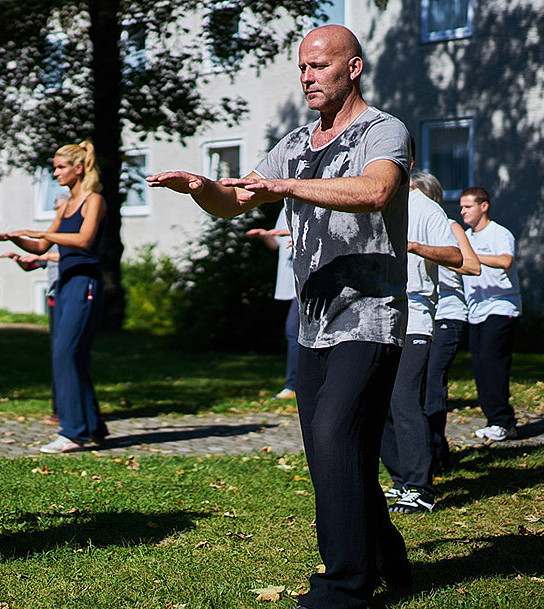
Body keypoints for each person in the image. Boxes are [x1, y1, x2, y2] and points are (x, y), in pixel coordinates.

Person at [148, 24, 413, 609]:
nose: (307, 76)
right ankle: (389, 560)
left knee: (333, 435)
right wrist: (200, 187)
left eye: (319, 65)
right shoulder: (295, 141)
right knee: (332, 453)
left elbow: (375, 192)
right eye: (301, 67)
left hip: (369, 317)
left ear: (353, 68)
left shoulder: (383, 131)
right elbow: (236, 199)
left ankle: (345, 586)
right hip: (314, 323)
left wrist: (287, 183)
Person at [0, 141, 109, 454]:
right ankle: (93, 426)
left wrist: (40, 232)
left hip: (85, 283)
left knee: (65, 353)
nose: (55, 173)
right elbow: (42, 249)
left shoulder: (93, 200)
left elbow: (83, 239)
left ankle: (72, 432)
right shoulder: (67, 203)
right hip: (66, 283)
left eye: (60, 167)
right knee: (71, 355)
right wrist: (19, 238)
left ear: (78, 168)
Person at [379, 172, 464, 514]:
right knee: (380, 399)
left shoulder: (425, 209)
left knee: (403, 398)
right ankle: (401, 481)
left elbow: (456, 257)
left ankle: (420, 487)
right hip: (377, 315)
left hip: (414, 315)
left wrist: (412, 245)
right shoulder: (377, 203)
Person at [422, 180, 481, 474]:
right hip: (419, 316)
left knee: (433, 384)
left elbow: (472, 266)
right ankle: (424, 452)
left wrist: (430, 252)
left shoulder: (449, 226)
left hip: (447, 315)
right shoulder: (406, 223)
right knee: (413, 388)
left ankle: (436, 454)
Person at [459, 186, 522, 441]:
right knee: (481, 365)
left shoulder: (499, 233)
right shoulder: (465, 236)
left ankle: (503, 421)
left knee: (493, 363)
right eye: (461, 207)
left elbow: (506, 261)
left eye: (468, 206)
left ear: (484, 206)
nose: (462, 211)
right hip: (476, 311)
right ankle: (494, 419)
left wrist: (472, 256)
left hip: (501, 306)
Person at [0, 194, 66, 426]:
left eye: (60, 207)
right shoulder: (55, 235)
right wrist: (17, 254)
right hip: (54, 296)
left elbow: (71, 254)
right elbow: (35, 260)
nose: (57, 212)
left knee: (66, 355)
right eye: (55, 208)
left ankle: (67, 412)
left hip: (70, 295)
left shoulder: (73, 234)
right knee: (57, 354)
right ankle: (60, 408)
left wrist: (44, 254)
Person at [245, 212, 296, 400]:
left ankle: (294, 386)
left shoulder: (309, 203)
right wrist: (266, 237)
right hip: (290, 283)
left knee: (293, 331)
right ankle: (295, 386)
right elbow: (277, 245)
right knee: (294, 333)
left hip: (307, 281)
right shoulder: (284, 209)